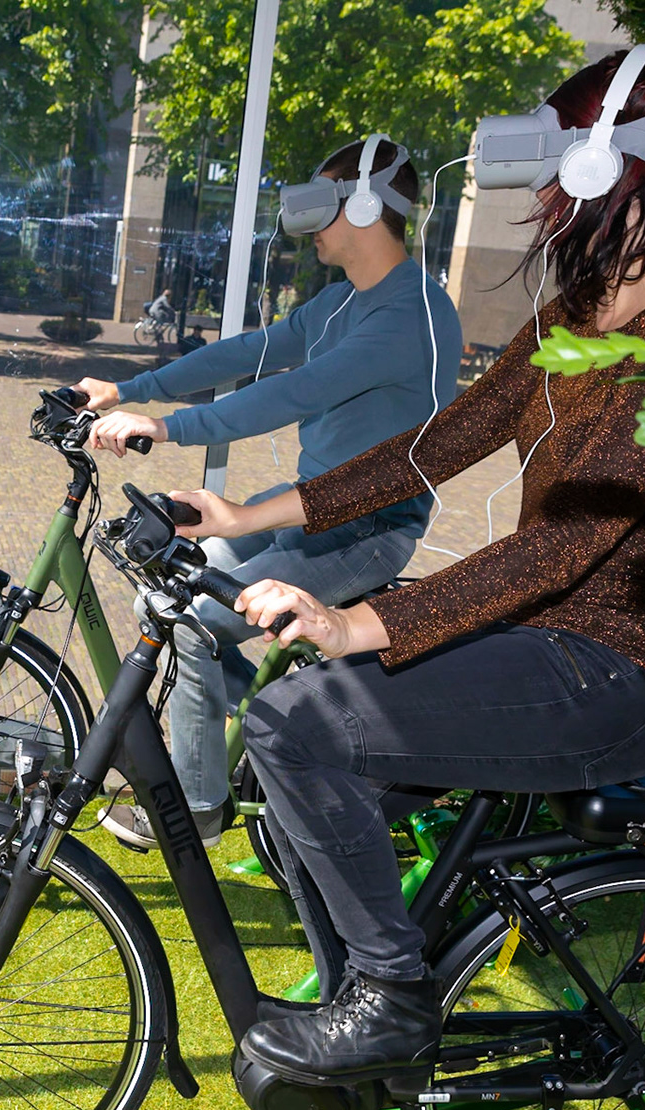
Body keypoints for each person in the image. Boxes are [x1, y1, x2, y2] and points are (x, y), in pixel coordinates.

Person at [170, 51, 645, 1090]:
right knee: (296, 776)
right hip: (548, 641)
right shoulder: (586, 309)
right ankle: (370, 1002)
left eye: (550, 165)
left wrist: (370, 622)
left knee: (290, 723)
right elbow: (429, 447)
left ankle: (387, 1000)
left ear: (606, 166)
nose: (538, 195)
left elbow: (566, 542)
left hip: (627, 672)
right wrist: (244, 510)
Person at [72, 136, 461, 851]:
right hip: (310, 506)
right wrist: (126, 389)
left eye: (321, 204)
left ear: (367, 207)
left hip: (366, 529)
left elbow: (291, 393)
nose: (307, 223)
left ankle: (196, 807)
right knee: (158, 597)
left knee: (189, 622)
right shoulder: (344, 302)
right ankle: (275, 718)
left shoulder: (410, 316)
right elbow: (247, 354)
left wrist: (162, 426)